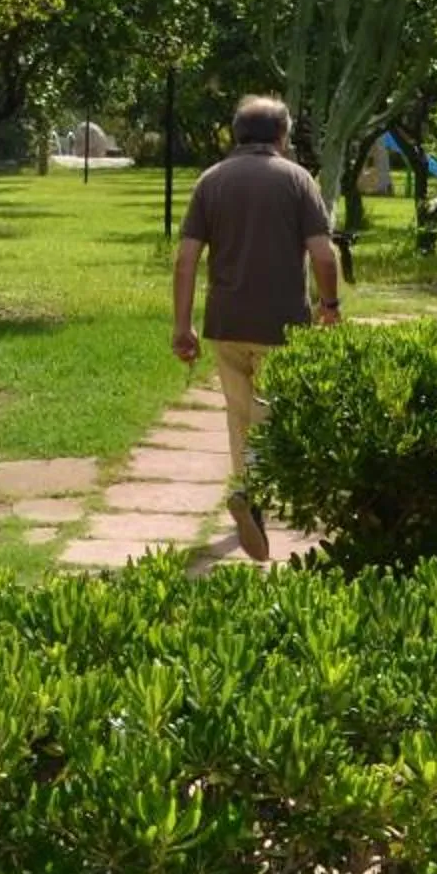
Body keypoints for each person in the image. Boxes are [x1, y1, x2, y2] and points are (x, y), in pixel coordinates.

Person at [171, 95, 343, 560]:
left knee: (239, 414)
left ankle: (247, 489)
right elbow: (324, 255)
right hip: (282, 323)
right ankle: (254, 494)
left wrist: (182, 326)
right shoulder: (297, 180)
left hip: (227, 323)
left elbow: (186, 259)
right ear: (282, 136)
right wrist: (330, 304)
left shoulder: (212, 181)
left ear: (236, 134)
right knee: (270, 415)